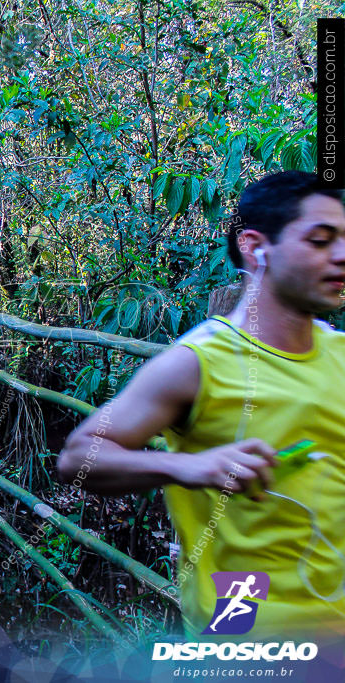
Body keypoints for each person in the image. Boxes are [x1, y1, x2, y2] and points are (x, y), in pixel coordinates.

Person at [57, 171, 345, 638]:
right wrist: (189, 467)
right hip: (250, 635)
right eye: (319, 240)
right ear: (255, 247)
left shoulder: (340, 355)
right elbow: (77, 459)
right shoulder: (198, 362)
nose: (341, 255)